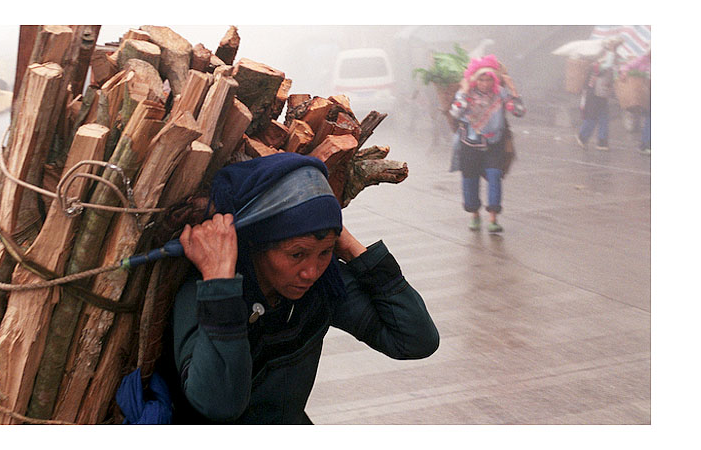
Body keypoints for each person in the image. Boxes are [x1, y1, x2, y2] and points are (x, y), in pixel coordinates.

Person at [160, 152, 440, 424]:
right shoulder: (204, 294)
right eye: (296, 254)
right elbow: (221, 405)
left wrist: (353, 250)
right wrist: (220, 286)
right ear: (258, 243)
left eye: (325, 252)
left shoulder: (323, 286)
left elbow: (415, 341)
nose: (310, 272)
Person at [449, 54, 525, 233]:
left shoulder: (501, 94)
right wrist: (463, 91)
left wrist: (513, 90)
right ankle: (474, 215)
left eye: (488, 79)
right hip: (469, 145)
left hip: (494, 144)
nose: (485, 84)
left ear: (494, 80)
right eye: (481, 80)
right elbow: (454, 113)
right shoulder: (467, 95)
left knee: (494, 177)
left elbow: (519, 112)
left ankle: (493, 218)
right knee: (470, 181)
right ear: (475, 80)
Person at [576, 36, 623, 151]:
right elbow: (607, 66)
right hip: (593, 94)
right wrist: (612, 50)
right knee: (591, 117)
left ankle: (602, 142)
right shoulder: (597, 64)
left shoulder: (611, 60)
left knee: (604, 118)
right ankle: (582, 137)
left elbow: (616, 69)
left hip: (603, 94)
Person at [621, 50, 651, 155]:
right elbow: (626, 67)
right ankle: (645, 145)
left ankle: (645, 144)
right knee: (650, 118)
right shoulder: (643, 59)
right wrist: (624, 73)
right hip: (646, 92)